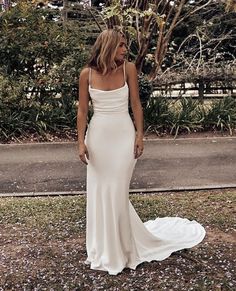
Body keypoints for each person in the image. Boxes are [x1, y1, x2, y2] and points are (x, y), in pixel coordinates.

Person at [77, 29, 206, 275]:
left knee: (117, 189)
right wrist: (80, 142)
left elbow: (136, 103)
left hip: (124, 136)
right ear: (108, 47)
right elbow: (82, 111)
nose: (126, 50)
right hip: (98, 138)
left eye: (125, 45)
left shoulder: (129, 69)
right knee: (101, 190)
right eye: (121, 45)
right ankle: (105, 246)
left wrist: (139, 134)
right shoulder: (87, 74)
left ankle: (123, 249)